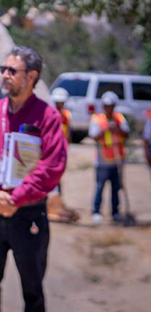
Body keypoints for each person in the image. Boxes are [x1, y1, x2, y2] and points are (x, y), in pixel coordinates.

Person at [0, 46, 67, 312]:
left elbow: (52, 166)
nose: (5, 75)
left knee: (33, 293)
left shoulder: (48, 117)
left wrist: (17, 198)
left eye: (12, 70)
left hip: (29, 214)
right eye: (3, 69)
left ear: (31, 76)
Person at [89, 91, 130, 224]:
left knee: (116, 188)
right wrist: (106, 128)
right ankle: (96, 211)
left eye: (111, 106)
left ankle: (115, 212)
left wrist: (117, 128)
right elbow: (94, 136)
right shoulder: (97, 119)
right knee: (100, 186)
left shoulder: (119, 118)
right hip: (102, 161)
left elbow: (126, 133)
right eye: (107, 106)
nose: (109, 108)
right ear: (103, 106)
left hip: (117, 161)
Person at [45, 87, 79, 223]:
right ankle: (50, 206)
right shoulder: (47, 115)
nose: (59, 105)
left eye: (61, 102)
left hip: (60, 154)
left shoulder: (66, 116)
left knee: (58, 180)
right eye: (58, 102)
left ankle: (56, 204)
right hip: (49, 154)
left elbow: (68, 135)